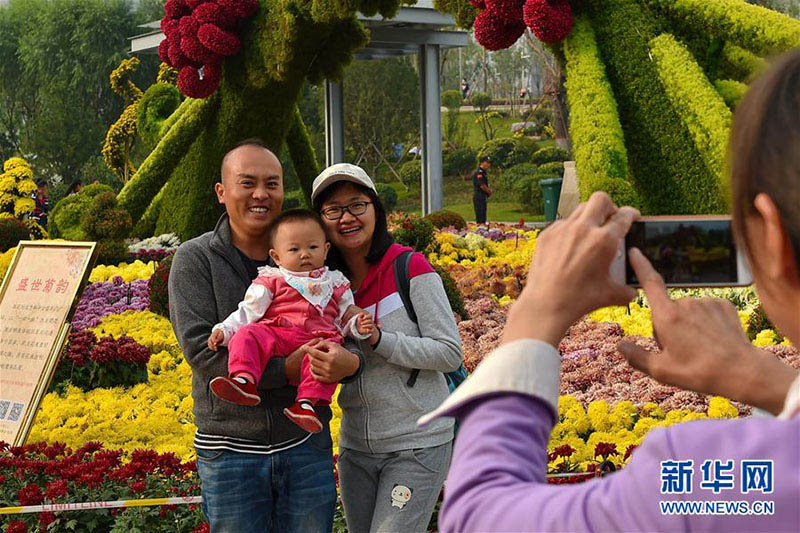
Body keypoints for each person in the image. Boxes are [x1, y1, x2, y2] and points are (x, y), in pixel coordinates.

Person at [422, 50, 800, 531]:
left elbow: (480, 515)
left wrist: (534, 316)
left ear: (772, 239)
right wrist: (772, 384)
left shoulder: (719, 482)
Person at [169, 139, 363, 532]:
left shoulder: (315, 258)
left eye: (272, 183)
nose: (261, 194)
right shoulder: (195, 259)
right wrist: (288, 371)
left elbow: (346, 325)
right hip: (230, 449)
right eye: (247, 183)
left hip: (305, 442)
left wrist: (351, 362)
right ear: (222, 192)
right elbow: (200, 351)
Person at [311, 163, 463, 533]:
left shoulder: (410, 267)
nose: (347, 217)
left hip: (416, 443)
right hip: (356, 447)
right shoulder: (322, 285)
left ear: (375, 210)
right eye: (333, 210)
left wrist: (381, 340)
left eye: (357, 205)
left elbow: (448, 352)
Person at [207, 209, 377, 434]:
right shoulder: (272, 279)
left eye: (313, 247)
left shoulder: (335, 283)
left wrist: (358, 325)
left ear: (326, 250)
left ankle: (306, 404)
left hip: (318, 338)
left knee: (323, 356)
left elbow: (344, 318)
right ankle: (243, 379)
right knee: (248, 334)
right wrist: (225, 330)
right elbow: (248, 312)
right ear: (276, 257)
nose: (304, 254)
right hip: (278, 334)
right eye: (294, 249)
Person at [471, 156, 493, 225]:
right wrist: (489, 191)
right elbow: (482, 186)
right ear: (482, 163)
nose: (489, 165)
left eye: (489, 163)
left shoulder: (483, 172)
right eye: (487, 163)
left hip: (483, 196)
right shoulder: (479, 173)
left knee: (483, 215)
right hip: (479, 196)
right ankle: (480, 229)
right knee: (480, 216)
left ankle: (482, 227)